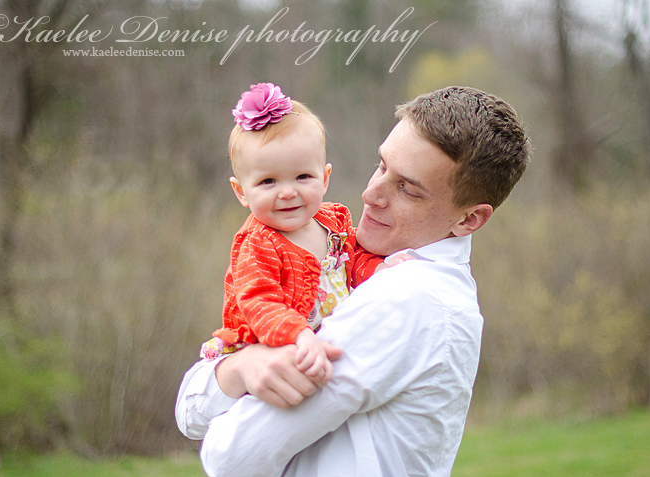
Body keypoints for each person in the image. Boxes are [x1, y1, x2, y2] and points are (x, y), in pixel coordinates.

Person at [176, 86, 530, 477]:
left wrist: (234, 375)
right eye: (382, 166)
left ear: (469, 219)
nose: (370, 193)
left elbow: (229, 456)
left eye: (408, 189)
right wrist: (240, 366)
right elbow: (191, 408)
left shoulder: (406, 297)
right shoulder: (362, 261)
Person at [199, 82, 385, 384]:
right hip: (275, 352)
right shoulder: (258, 244)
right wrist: (298, 334)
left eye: (302, 176)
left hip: (330, 345)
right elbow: (260, 302)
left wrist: (381, 270)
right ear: (241, 191)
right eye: (268, 181)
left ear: (324, 179)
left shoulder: (332, 222)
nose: (287, 192)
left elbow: (354, 260)